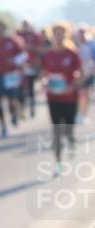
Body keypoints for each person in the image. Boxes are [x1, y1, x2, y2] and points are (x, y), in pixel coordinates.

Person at [40, 22, 84, 176]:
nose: (59, 36)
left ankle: (71, 140)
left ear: (66, 34)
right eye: (56, 33)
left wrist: (72, 86)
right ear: (52, 35)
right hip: (53, 98)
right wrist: (44, 83)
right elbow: (44, 75)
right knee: (57, 130)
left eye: (61, 33)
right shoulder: (48, 54)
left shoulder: (72, 53)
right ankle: (58, 162)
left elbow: (81, 74)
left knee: (68, 130)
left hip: (70, 98)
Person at [0, 19, 27, 138]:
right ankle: (3, 126)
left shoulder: (14, 41)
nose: (0, 30)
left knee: (11, 99)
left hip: (10, 75)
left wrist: (14, 61)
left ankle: (14, 113)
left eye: (2, 28)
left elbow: (23, 55)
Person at [17, 20, 43, 119]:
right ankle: (22, 110)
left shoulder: (35, 35)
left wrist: (31, 48)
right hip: (20, 66)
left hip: (32, 65)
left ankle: (32, 107)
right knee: (21, 88)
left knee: (31, 87)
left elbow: (41, 49)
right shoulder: (18, 35)